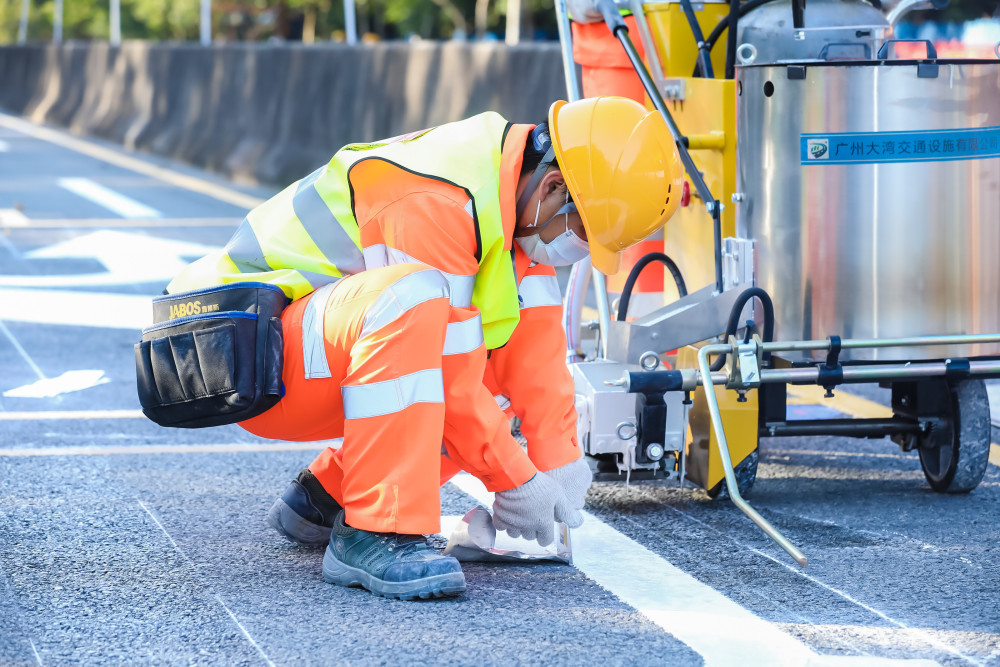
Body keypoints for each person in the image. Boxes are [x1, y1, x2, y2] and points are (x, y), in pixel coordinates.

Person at [167, 96, 682, 600]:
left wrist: (559, 460)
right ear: (552, 186)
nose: (579, 248)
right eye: (583, 231)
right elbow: (449, 376)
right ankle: (376, 530)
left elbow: (533, 352)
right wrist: (515, 480)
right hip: (237, 356)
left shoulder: (511, 208)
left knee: (487, 348)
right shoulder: (437, 199)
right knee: (414, 302)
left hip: (292, 348)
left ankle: (327, 497)